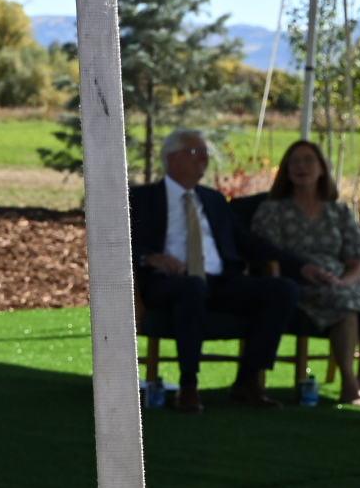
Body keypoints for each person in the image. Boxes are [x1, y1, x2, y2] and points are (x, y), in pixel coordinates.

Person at [129, 128, 312, 413]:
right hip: (170, 283)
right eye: (196, 152)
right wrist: (149, 256)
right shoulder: (142, 198)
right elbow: (114, 241)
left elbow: (249, 243)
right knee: (192, 288)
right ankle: (188, 386)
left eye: (207, 152)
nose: (204, 158)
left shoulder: (213, 200)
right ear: (172, 159)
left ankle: (247, 382)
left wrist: (302, 267)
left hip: (222, 281)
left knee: (283, 289)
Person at [251, 140, 360, 407]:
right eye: (294, 162)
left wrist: (344, 281)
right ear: (285, 170)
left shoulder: (337, 211)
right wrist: (304, 272)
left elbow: (357, 260)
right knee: (344, 306)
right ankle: (349, 386)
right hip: (297, 285)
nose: (301, 167)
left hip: (339, 282)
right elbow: (264, 255)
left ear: (322, 168)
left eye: (308, 160)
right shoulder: (273, 210)